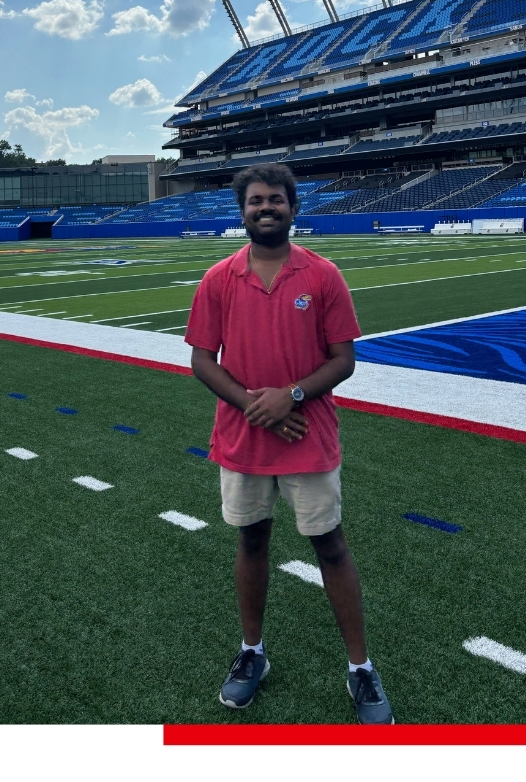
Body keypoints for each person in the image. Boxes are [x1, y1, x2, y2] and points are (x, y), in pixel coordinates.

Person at [184, 163, 394, 724]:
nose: (265, 207)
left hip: (309, 436)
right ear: (243, 210)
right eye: (255, 201)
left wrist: (292, 397)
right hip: (243, 437)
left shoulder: (323, 275)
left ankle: (360, 667)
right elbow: (202, 359)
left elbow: (343, 360)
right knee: (251, 542)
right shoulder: (218, 278)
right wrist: (261, 408)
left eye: (275, 199)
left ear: (293, 209)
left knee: (331, 545)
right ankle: (252, 653)